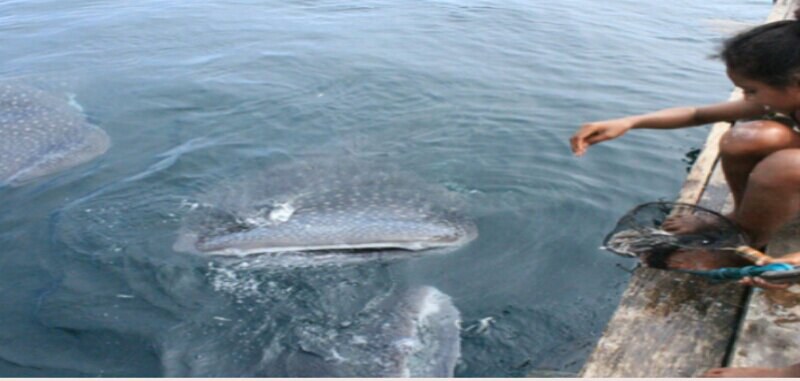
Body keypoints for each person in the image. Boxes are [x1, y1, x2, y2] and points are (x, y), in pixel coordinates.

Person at [570, 9, 800, 378]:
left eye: (752, 90)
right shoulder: (787, 95)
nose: (745, 97)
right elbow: (697, 114)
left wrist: (795, 259)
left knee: (787, 167)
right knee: (746, 136)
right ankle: (743, 231)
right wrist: (629, 122)